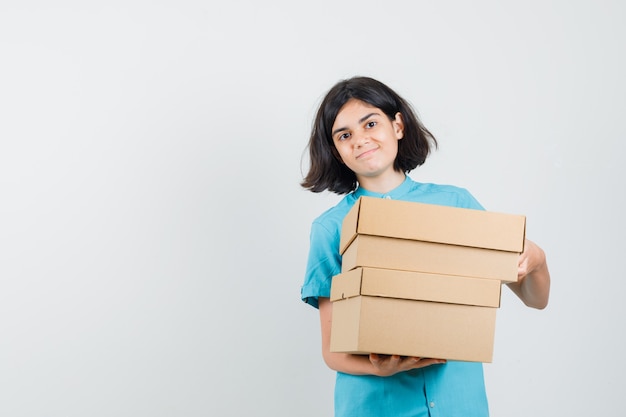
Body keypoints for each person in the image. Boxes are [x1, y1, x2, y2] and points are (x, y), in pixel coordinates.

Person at [300, 76, 551, 417]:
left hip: (459, 404)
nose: (360, 140)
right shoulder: (330, 228)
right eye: (344, 135)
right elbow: (332, 351)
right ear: (336, 151)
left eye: (370, 123)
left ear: (398, 125)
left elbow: (535, 299)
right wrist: (381, 368)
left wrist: (537, 261)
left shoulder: (456, 204)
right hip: (379, 406)